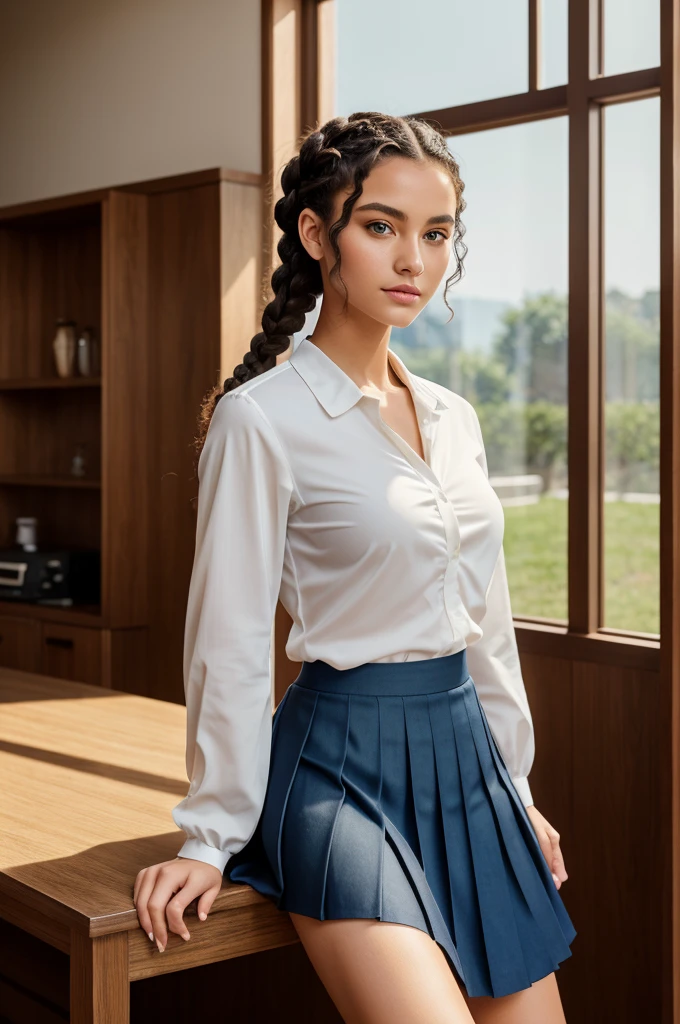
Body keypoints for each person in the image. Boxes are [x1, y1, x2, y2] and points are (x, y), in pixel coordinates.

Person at [134, 111, 576, 1023]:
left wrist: (515, 789)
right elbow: (231, 641)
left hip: (470, 770)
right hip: (339, 777)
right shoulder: (261, 420)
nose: (414, 258)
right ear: (315, 233)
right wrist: (210, 836)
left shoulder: (456, 416)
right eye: (382, 226)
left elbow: (485, 624)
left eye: (437, 232)